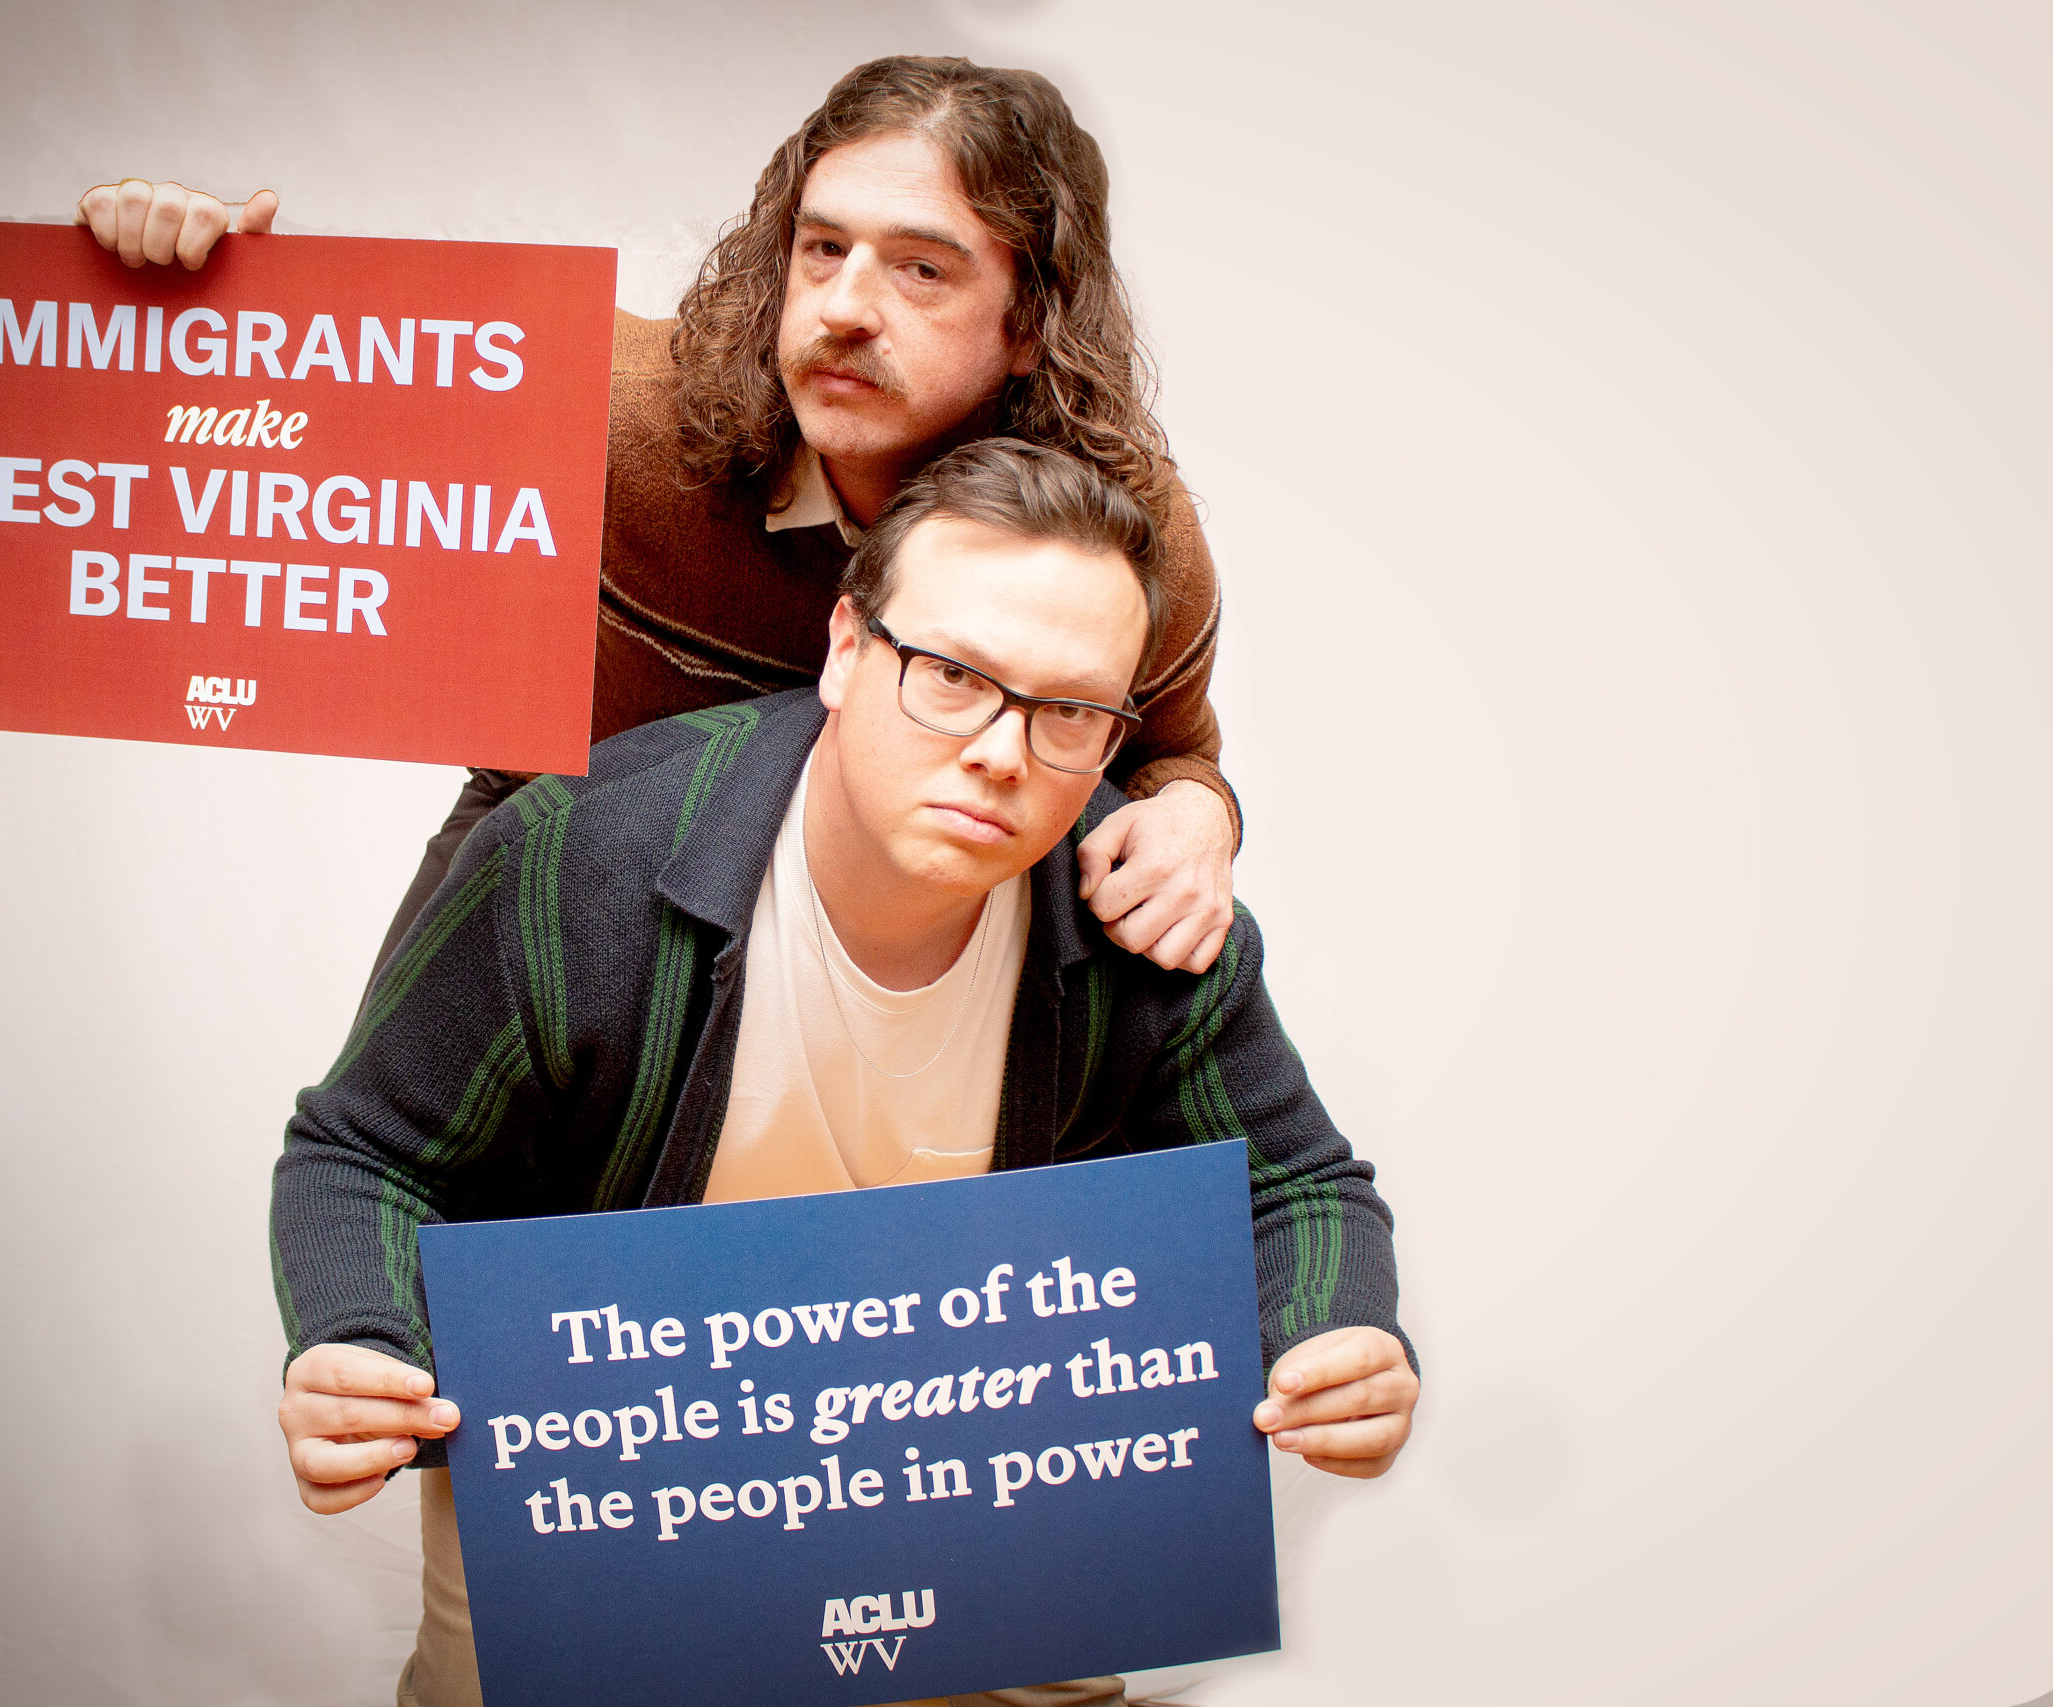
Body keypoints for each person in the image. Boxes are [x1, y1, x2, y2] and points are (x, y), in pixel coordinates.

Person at [272, 440, 1419, 1707]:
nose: (1001, 750)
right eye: (951, 675)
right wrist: (359, 1338)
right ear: (844, 648)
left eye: (1070, 711)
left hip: (984, 1506)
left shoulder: (1148, 919)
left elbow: (1301, 1184)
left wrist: (1337, 1325)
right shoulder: (571, 860)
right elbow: (365, 1151)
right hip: (604, 1501)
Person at [77, 56, 1246, 985]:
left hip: (885, 943)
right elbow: (296, 414)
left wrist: (1196, 816)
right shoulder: (614, 416)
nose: (841, 307)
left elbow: (1171, 750)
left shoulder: (1124, 536)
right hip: (567, 857)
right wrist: (205, 287)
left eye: (921, 271)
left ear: (1031, 320)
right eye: (823, 247)